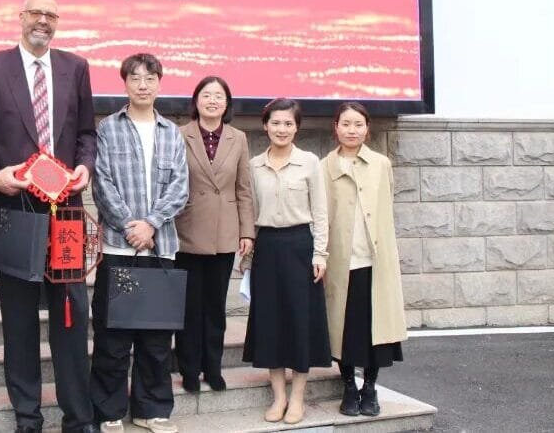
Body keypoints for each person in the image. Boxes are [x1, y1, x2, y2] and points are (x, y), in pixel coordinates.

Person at [0, 0, 98, 433]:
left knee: (72, 317)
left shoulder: (75, 68)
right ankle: (28, 417)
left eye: (51, 15)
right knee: (19, 322)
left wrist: (86, 166)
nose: (43, 21)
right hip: (14, 212)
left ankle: (79, 418)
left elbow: (86, 134)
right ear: (21, 18)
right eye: (36, 13)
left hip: (66, 216)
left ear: (57, 22)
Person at [90, 54, 189, 433]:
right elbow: (102, 184)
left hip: (160, 248)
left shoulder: (171, 132)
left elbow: (180, 186)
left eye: (150, 78)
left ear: (160, 83)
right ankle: (109, 410)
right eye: (135, 78)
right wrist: (131, 226)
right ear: (125, 83)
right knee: (113, 336)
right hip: (118, 247)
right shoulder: (107, 129)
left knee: (156, 336)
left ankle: (152, 410)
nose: (143, 84)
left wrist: (150, 224)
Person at [241, 98, 331, 425]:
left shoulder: (310, 162)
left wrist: (320, 253)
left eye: (288, 123)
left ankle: (297, 399)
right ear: (265, 125)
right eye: (276, 123)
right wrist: (247, 256)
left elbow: (320, 213)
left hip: (300, 246)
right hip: (266, 248)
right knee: (270, 324)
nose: (282, 129)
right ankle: (278, 397)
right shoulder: (253, 165)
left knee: (299, 322)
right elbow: (248, 212)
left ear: (297, 127)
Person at [321, 102, 406, 417]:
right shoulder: (325, 166)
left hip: (375, 260)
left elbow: (387, 204)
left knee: (376, 331)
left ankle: (370, 387)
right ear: (336, 127)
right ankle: (348, 386)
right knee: (345, 331)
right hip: (341, 262)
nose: (351, 130)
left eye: (358, 124)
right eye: (346, 124)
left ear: (367, 128)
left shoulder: (381, 164)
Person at [173, 76, 255, 393]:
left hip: (224, 234)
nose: (212, 100)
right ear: (195, 101)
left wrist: (247, 231)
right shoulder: (180, 135)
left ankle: (213, 367)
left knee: (215, 307)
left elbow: (244, 189)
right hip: (188, 231)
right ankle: (190, 369)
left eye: (218, 96)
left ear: (227, 103)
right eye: (206, 95)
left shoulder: (239, 138)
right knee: (189, 307)